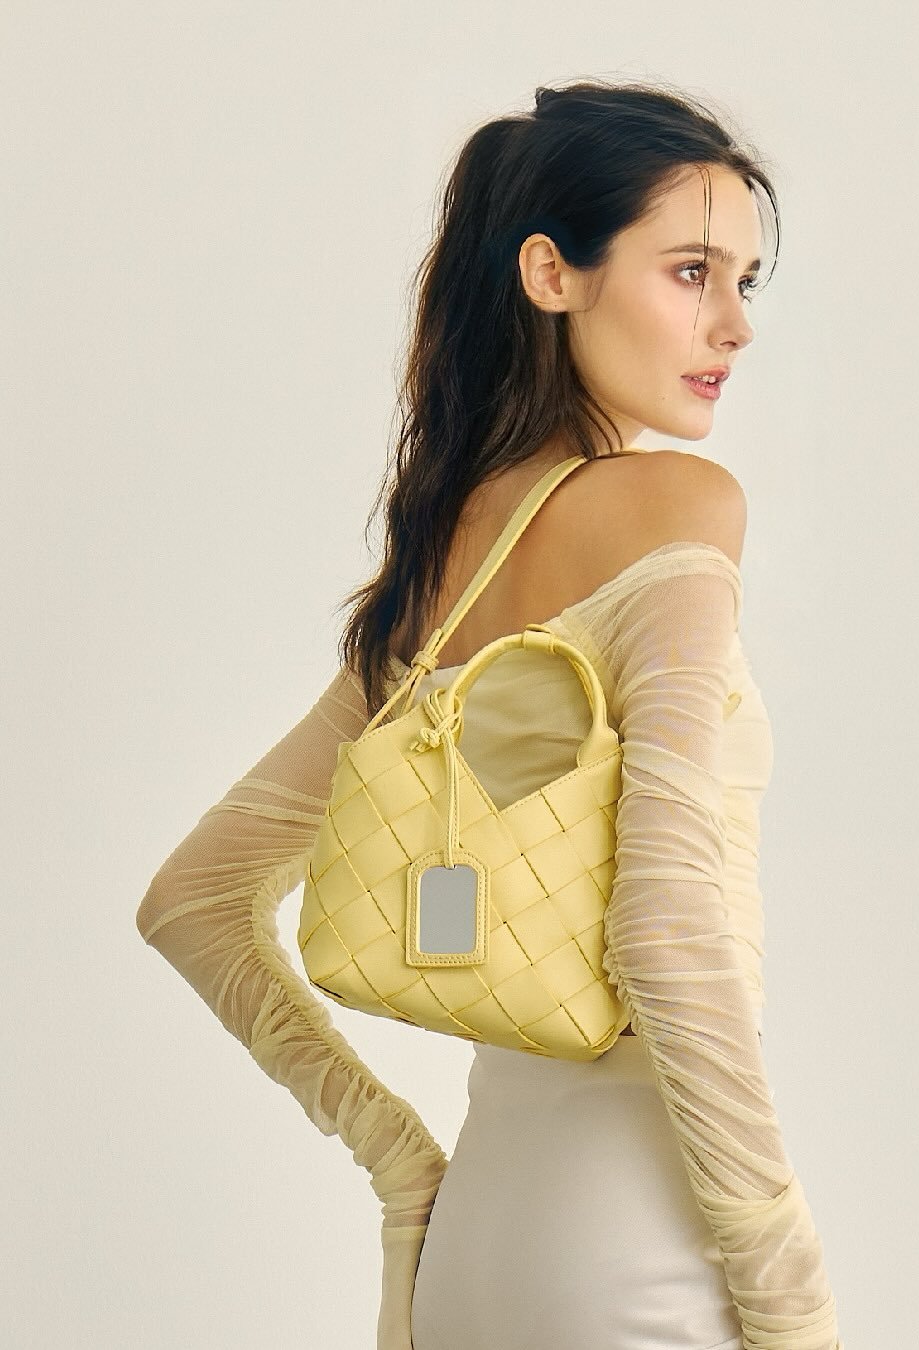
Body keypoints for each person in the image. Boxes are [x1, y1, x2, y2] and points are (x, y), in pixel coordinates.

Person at [136, 78, 843, 1350]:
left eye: (746, 280)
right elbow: (667, 931)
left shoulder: (440, 568)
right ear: (550, 272)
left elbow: (193, 901)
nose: (735, 325)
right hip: (647, 1248)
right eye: (691, 272)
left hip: (475, 1242)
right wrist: (789, 1297)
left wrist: (398, 1162)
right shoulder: (676, 508)